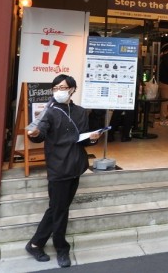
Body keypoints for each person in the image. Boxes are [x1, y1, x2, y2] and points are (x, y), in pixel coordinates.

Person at [25, 74, 100, 268]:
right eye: (56, 88)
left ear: (72, 89)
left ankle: (36, 244)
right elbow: (39, 133)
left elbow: (82, 139)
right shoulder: (49, 112)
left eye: (63, 87)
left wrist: (92, 138)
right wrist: (35, 135)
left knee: (59, 208)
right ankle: (60, 248)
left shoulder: (81, 112)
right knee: (59, 210)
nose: (59, 91)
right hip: (58, 167)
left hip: (76, 165)